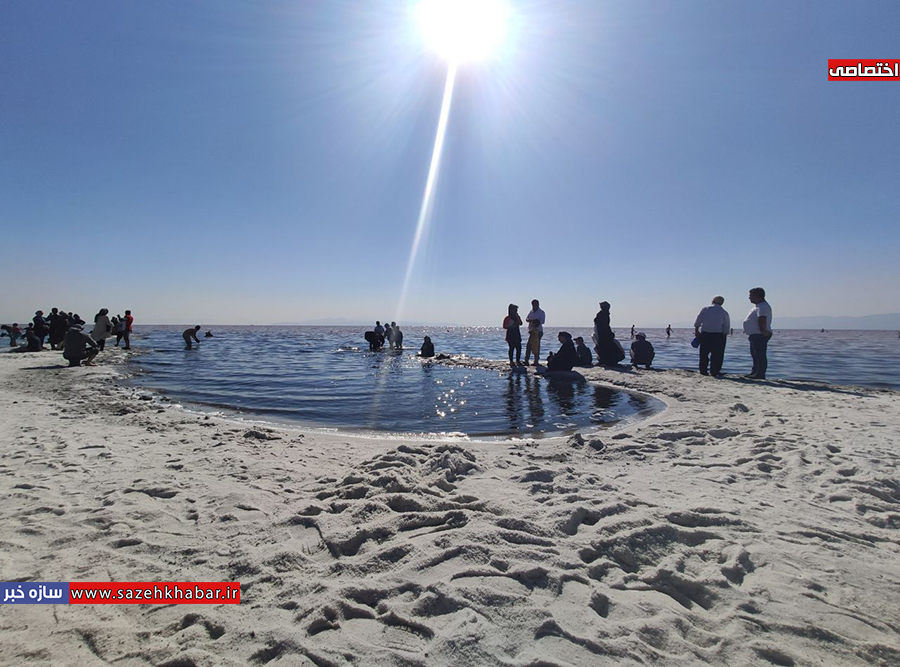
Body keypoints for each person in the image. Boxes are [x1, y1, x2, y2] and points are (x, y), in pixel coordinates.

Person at [693, 296, 730, 377]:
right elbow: (726, 325)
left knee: (704, 353)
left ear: (713, 301)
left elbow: (698, 320)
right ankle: (715, 371)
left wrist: (696, 330)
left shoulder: (705, 309)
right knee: (717, 355)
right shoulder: (724, 312)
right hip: (718, 335)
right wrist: (725, 334)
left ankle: (703, 370)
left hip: (706, 334)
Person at [743, 287, 772, 379]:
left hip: (759, 334)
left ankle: (760, 374)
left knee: (759, 354)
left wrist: (763, 330)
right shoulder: (758, 306)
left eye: (751, 296)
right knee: (755, 354)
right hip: (755, 334)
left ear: (757, 296)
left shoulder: (762, 306)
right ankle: (755, 371)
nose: (749, 298)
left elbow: (762, 318)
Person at [593, 301, 625, 366]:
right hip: (603, 333)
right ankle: (605, 360)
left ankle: (606, 360)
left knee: (605, 347)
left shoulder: (604, 314)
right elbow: (604, 325)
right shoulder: (602, 314)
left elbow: (605, 325)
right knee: (603, 346)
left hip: (603, 334)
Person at [523, 299, 545, 366]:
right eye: (533, 305)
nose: (534, 306)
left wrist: (535, 321)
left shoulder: (541, 312)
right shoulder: (531, 311)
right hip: (531, 331)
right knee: (529, 346)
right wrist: (529, 320)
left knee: (536, 346)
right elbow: (527, 318)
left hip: (538, 331)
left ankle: (536, 361)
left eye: (535, 304)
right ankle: (526, 360)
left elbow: (542, 321)